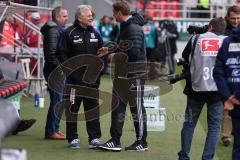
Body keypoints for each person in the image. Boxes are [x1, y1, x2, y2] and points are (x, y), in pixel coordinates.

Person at [97, 0, 148, 152]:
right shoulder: (127, 27)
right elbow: (125, 46)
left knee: (136, 108)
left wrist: (115, 56)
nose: (113, 16)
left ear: (119, 13)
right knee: (117, 107)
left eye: (114, 13)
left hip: (134, 75)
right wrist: (109, 48)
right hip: (123, 74)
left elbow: (134, 52)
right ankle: (115, 140)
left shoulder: (132, 28)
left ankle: (142, 142)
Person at [56, 5, 105, 149]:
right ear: (79, 17)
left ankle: (94, 138)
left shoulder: (95, 34)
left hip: (92, 81)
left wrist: (99, 73)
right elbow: (61, 53)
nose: (91, 17)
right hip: (73, 82)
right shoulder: (68, 33)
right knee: (72, 110)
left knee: (92, 110)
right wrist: (70, 71)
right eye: (88, 15)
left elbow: (102, 55)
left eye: (91, 15)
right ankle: (73, 138)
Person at [177, 17, 226, 160]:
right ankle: (207, 158)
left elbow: (185, 57)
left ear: (210, 27)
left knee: (189, 123)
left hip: (196, 87)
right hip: (217, 90)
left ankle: (184, 156)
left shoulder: (195, 39)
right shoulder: (227, 41)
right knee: (214, 127)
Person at [40, 6, 68, 140]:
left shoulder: (57, 30)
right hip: (55, 72)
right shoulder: (53, 31)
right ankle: (51, 131)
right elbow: (50, 55)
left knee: (59, 101)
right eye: (64, 16)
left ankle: (54, 129)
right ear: (57, 17)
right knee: (57, 102)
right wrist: (60, 68)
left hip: (57, 71)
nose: (67, 18)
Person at [213, 27, 240, 160]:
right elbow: (218, 71)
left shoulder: (227, 41)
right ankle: (226, 135)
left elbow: (218, 71)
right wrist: (228, 96)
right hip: (235, 102)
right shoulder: (227, 42)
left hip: (234, 100)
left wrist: (230, 96)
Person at [220, 5, 240, 147]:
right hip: (228, 75)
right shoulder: (223, 31)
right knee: (227, 107)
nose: (236, 20)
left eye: (238, 18)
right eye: (233, 18)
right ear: (228, 17)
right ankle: (226, 136)